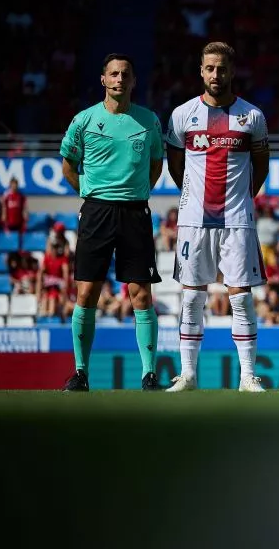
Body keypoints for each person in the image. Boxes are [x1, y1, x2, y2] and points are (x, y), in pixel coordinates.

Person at [164, 42, 270, 393]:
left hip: (237, 219)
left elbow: (261, 167)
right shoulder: (183, 115)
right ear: (201, 71)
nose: (215, 74)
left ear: (231, 71)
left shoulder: (252, 117)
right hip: (194, 220)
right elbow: (176, 165)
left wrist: (239, 199)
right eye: (209, 68)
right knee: (192, 297)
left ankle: (247, 377)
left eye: (221, 68)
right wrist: (192, 197)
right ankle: (189, 375)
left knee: (240, 297)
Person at [58, 53, 164, 391]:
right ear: (103, 79)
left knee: (141, 295)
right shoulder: (83, 121)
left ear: (134, 81)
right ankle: (80, 372)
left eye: (126, 74)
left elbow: (156, 165)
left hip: (135, 212)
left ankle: (149, 374)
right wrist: (90, 195)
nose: (120, 79)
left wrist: (135, 192)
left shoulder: (149, 121)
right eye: (114, 74)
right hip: (96, 212)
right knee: (87, 292)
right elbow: (68, 165)